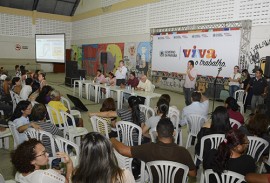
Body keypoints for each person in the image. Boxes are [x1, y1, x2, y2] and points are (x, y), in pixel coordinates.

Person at [111, 118, 196, 182]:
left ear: (157, 133)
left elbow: (123, 150)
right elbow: (193, 174)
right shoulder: (183, 152)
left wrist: (112, 139)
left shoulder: (148, 148)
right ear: (173, 133)